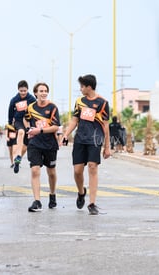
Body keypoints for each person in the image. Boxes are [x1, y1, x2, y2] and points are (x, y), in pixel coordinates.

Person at [61, 74, 111, 215]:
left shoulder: (103, 103)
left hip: (95, 140)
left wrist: (107, 147)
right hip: (80, 140)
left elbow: (106, 126)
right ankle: (81, 192)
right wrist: (66, 134)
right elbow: (74, 121)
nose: (80, 89)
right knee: (77, 171)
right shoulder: (79, 101)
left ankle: (92, 203)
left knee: (92, 167)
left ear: (89, 87)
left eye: (82, 86)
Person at [24, 82, 60, 211]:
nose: (43, 93)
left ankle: (52, 194)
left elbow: (56, 126)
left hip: (50, 144)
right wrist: (29, 128)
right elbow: (26, 118)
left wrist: (39, 130)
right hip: (35, 144)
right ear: (35, 93)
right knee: (35, 170)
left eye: (45, 91)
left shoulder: (52, 107)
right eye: (41, 91)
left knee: (51, 172)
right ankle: (37, 201)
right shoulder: (31, 107)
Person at [8, 80, 36, 174]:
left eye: (25, 91)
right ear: (18, 90)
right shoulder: (14, 99)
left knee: (26, 145)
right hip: (18, 121)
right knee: (21, 132)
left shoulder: (31, 99)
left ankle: (18, 159)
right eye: (21, 91)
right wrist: (10, 124)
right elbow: (10, 113)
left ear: (27, 90)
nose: (23, 93)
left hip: (29, 121)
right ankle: (18, 154)